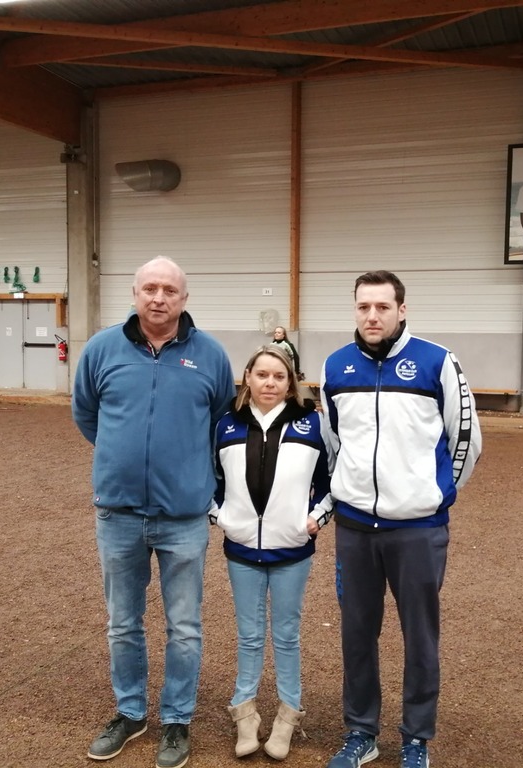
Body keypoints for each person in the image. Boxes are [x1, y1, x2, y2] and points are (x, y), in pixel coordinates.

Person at [72, 256, 236, 768]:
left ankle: (177, 720)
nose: (159, 297)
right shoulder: (101, 349)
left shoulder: (210, 355)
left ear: (184, 298)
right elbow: (86, 413)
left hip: (183, 517)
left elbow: (221, 423)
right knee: (123, 623)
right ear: (135, 293)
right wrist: (121, 458)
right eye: (150, 288)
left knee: (184, 626)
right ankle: (130, 713)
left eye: (169, 290)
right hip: (118, 513)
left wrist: (187, 472)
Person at [319, 271, 482, 768]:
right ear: (354, 309)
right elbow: (332, 442)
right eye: (363, 306)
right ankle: (361, 732)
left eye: (383, 307)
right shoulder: (335, 366)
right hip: (354, 529)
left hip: (417, 530)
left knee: (420, 636)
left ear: (402, 310)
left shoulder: (437, 362)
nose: (372, 316)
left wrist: (435, 496)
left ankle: (416, 737)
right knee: (357, 634)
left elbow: (465, 438)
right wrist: (346, 493)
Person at [210, 345, 334, 761]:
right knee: (248, 635)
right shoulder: (226, 424)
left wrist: (316, 517)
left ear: (291, 382)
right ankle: (244, 712)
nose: (270, 383)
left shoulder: (312, 424)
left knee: (286, 634)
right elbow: (209, 478)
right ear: (248, 377)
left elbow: (332, 479)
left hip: (292, 551)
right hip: (241, 548)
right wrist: (221, 516)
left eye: (279, 376)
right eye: (262, 374)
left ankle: (287, 715)